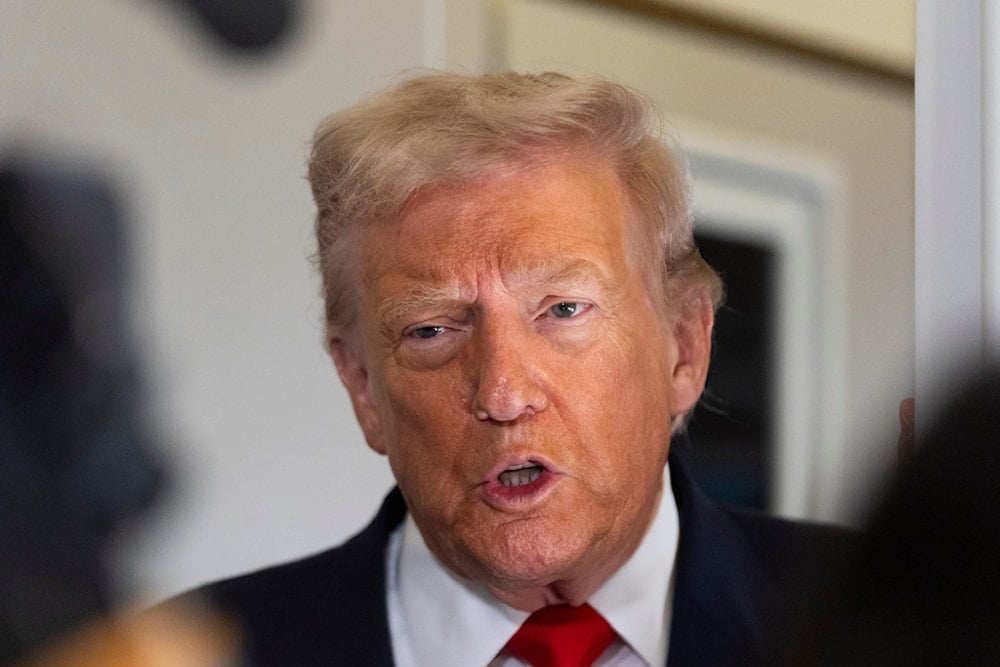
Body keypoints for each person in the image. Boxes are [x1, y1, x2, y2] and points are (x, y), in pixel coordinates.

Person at [182, 71, 853, 666]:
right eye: (432, 329)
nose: (503, 393)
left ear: (684, 345)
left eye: (563, 309)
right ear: (361, 385)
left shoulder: (879, 619)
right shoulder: (194, 653)